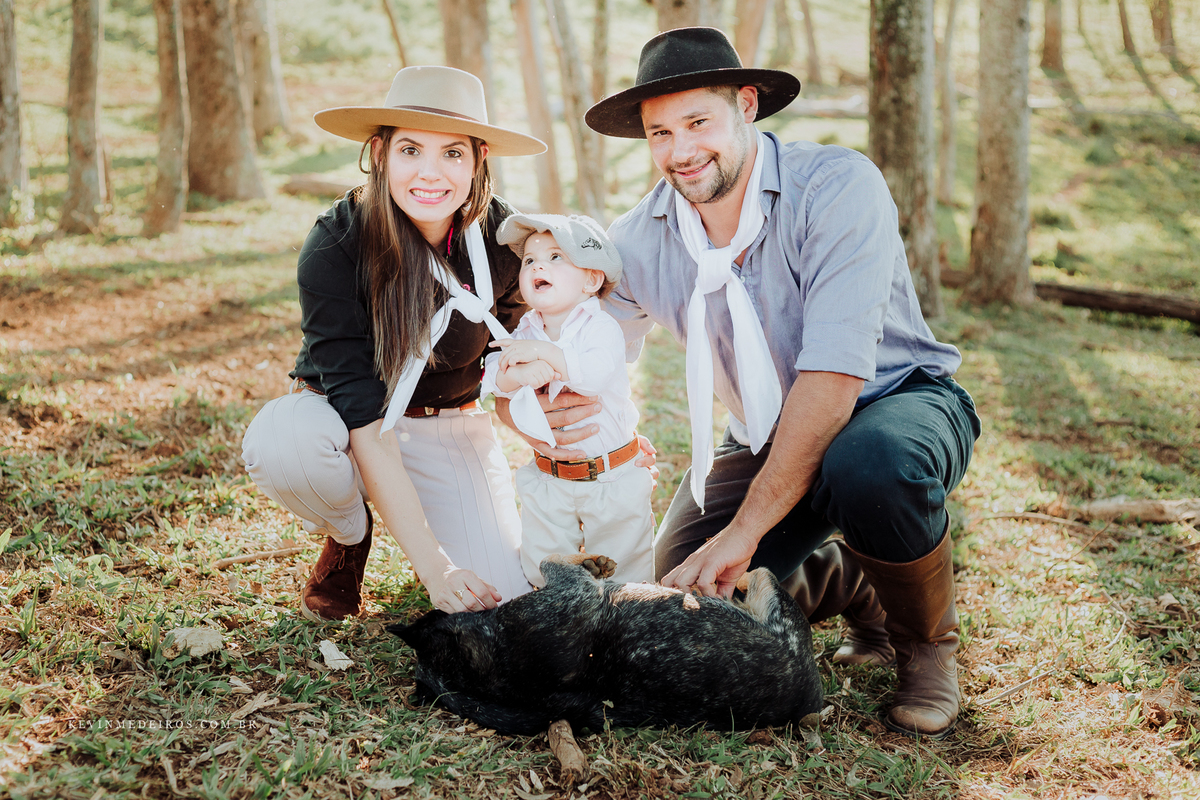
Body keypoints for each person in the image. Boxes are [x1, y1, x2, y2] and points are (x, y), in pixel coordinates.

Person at [582, 27, 982, 739]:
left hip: (894, 404)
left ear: (746, 104)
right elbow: (594, 352)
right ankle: (846, 577)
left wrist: (744, 530)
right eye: (660, 133)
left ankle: (923, 643)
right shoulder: (639, 237)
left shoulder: (835, 187)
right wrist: (552, 390)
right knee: (684, 601)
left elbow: (832, 381)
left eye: (698, 122)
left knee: (869, 464)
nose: (680, 151)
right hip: (761, 436)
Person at [241, 66, 550, 621]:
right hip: (347, 420)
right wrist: (434, 571)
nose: (430, 174)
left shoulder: (507, 241)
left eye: (452, 153)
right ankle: (349, 532)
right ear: (380, 153)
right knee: (283, 444)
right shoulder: (336, 241)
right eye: (411, 150)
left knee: (503, 600)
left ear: (480, 158)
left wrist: (588, 451)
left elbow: (509, 369)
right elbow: (362, 416)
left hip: (448, 422)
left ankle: (445, 524)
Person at [482, 214, 655, 587]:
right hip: (550, 477)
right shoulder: (526, 328)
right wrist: (515, 374)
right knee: (542, 568)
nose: (538, 265)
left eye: (556, 257)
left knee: (625, 574)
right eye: (529, 260)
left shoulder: (602, 328)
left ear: (592, 279)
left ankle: (619, 632)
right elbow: (493, 374)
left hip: (611, 477)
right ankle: (556, 625)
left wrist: (541, 355)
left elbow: (591, 376)